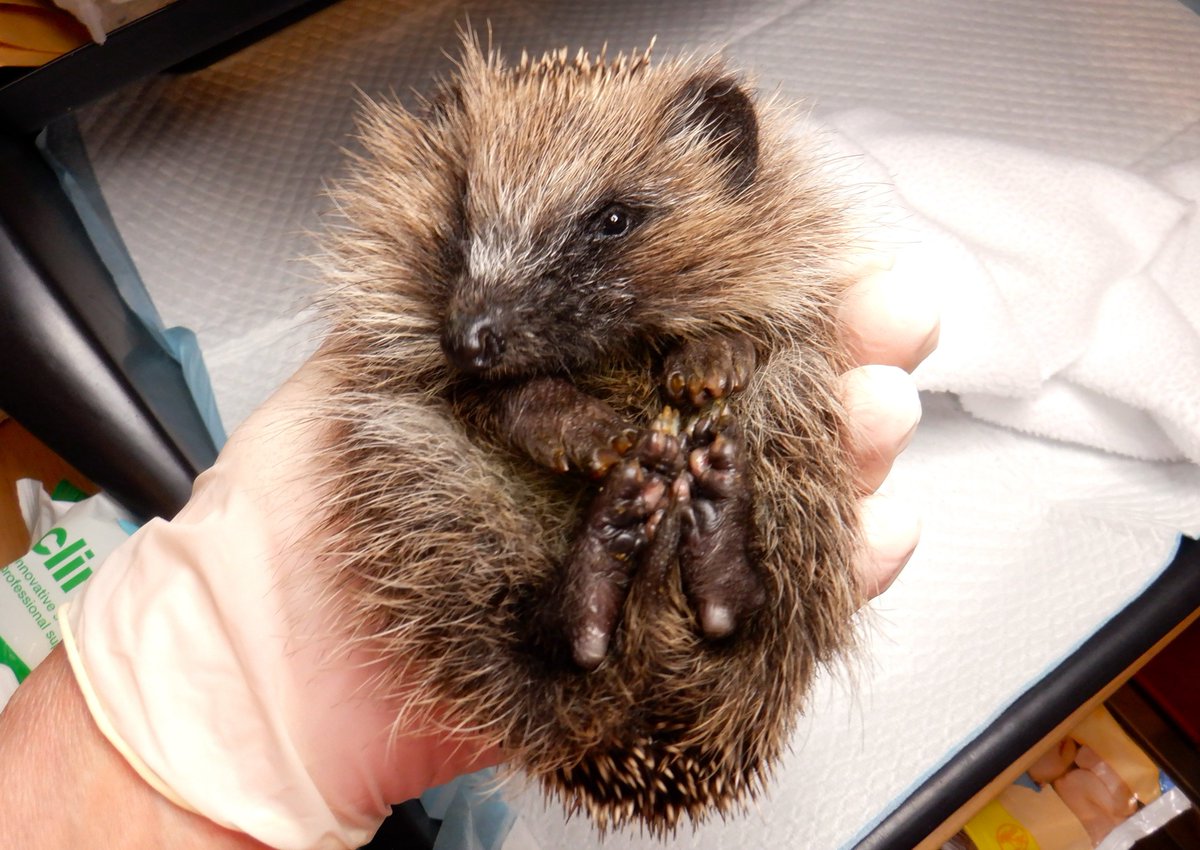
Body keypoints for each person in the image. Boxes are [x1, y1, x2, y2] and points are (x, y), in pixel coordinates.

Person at [0, 257, 938, 850]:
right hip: (532, 540)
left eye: (607, 225)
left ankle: (665, 581)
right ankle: (669, 575)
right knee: (499, 431)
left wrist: (180, 701)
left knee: (730, 419)